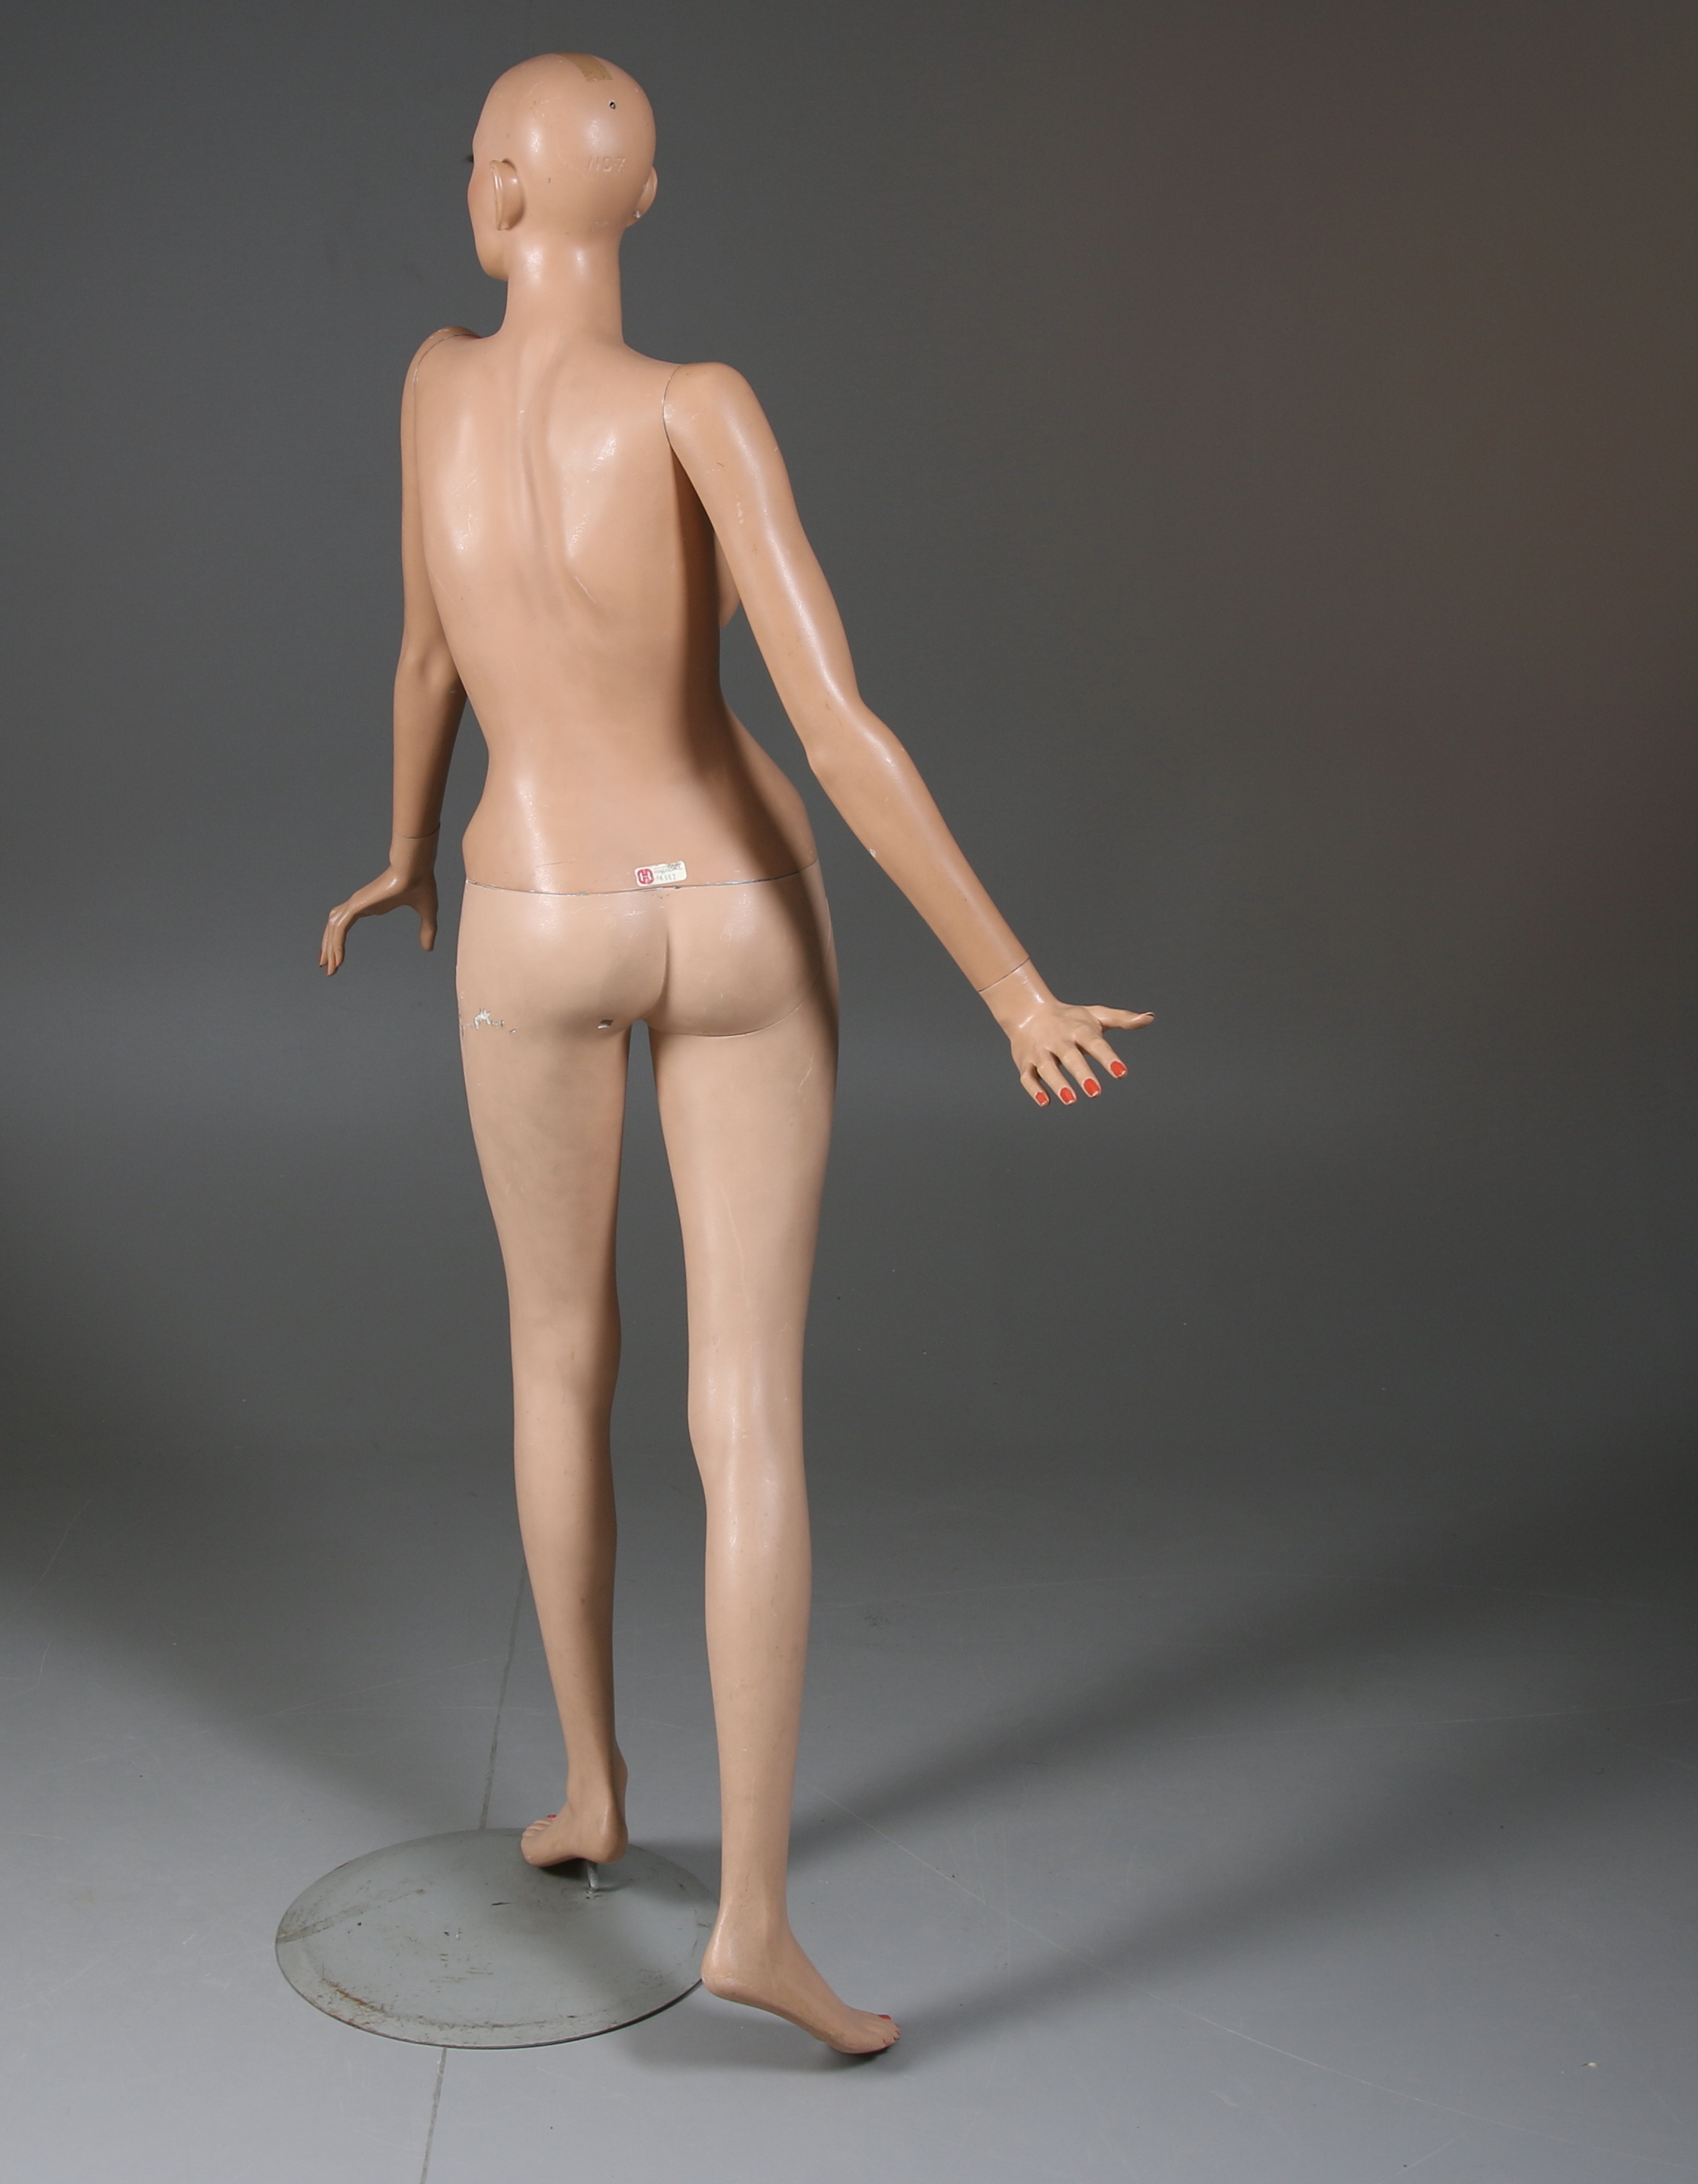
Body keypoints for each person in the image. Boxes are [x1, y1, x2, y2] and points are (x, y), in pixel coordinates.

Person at [320, 51, 1150, 2054]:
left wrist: (408, 852)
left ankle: (593, 1788)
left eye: (482, 162)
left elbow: (428, 658)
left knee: (556, 1354)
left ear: (497, 195)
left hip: (534, 906)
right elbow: (840, 729)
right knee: (746, 1407)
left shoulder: (432, 387)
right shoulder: (700, 406)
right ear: (649, 196)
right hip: (739, 910)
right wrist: (1013, 987)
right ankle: (755, 1921)